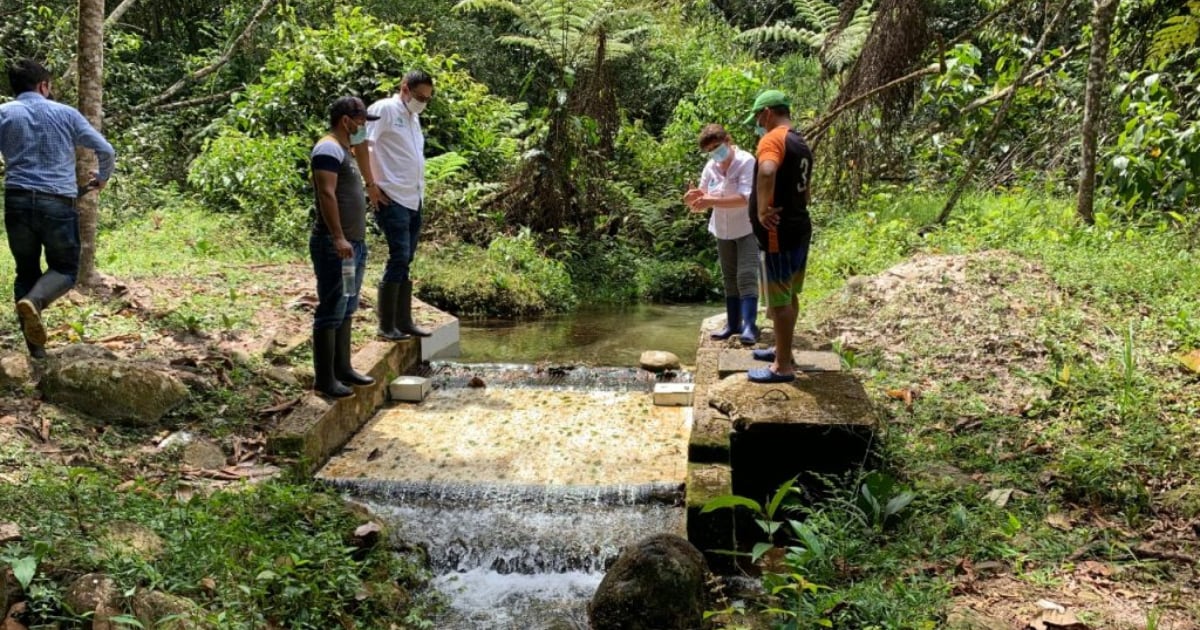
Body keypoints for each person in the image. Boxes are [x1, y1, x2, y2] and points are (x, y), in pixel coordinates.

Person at [0, 59, 116, 359]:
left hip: (17, 200)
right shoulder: (65, 114)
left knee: (25, 271)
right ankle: (35, 302)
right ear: (44, 86)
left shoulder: (4, 114)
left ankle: (36, 353)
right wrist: (101, 177)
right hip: (58, 203)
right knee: (65, 269)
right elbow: (105, 150)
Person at [309, 96, 378, 398]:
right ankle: (325, 379)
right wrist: (338, 236)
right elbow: (326, 193)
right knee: (331, 308)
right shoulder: (327, 148)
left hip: (354, 245)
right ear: (345, 120)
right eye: (361, 122)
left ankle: (343, 368)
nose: (363, 128)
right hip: (333, 244)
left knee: (347, 305)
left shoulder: (346, 149)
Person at [743, 90, 814, 384]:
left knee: (781, 300)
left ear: (768, 113)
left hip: (778, 234)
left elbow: (768, 170)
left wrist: (761, 211)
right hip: (798, 227)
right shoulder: (800, 142)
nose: (758, 123)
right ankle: (783, 351)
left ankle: (782, 367)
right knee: (789, 294)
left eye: (759, 117)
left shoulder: (773, 139)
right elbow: (806, 191)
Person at [365, 70, 435, 341]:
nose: (423, 102)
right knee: (398, 255)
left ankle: (404, 322)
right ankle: (386, 325)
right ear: (404, 88)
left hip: (413, 198)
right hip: (391, 196)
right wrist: (371, 186)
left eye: (428, 98)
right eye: (419, 96)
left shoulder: (413, 117)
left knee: (406, 259)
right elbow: (366, 147)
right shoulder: (384, 109)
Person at [684, 124, 759, 344]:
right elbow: (702, 197)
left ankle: (750, 327)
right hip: (722, 230)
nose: (715, 152)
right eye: (710, 150)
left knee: (746, 276)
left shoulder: (746, 161)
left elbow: (746, 198)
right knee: (729, 279)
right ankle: (732, 324)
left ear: (728, 140)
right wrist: (692, 200)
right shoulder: (710, 167)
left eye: (717, 146)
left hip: (747, 227)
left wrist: (709, 200)